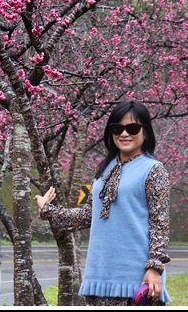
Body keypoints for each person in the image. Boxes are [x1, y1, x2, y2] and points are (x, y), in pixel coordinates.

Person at [34, 99, 171, 305]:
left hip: (135, 280)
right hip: (99, 277)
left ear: (145, 131)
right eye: (118, 128)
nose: (124, 134)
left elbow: (160, 223)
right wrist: (48, 209)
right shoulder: (105, 170)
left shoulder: (153, 170)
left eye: (132, 128)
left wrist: (155, 267)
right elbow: (88, 215)